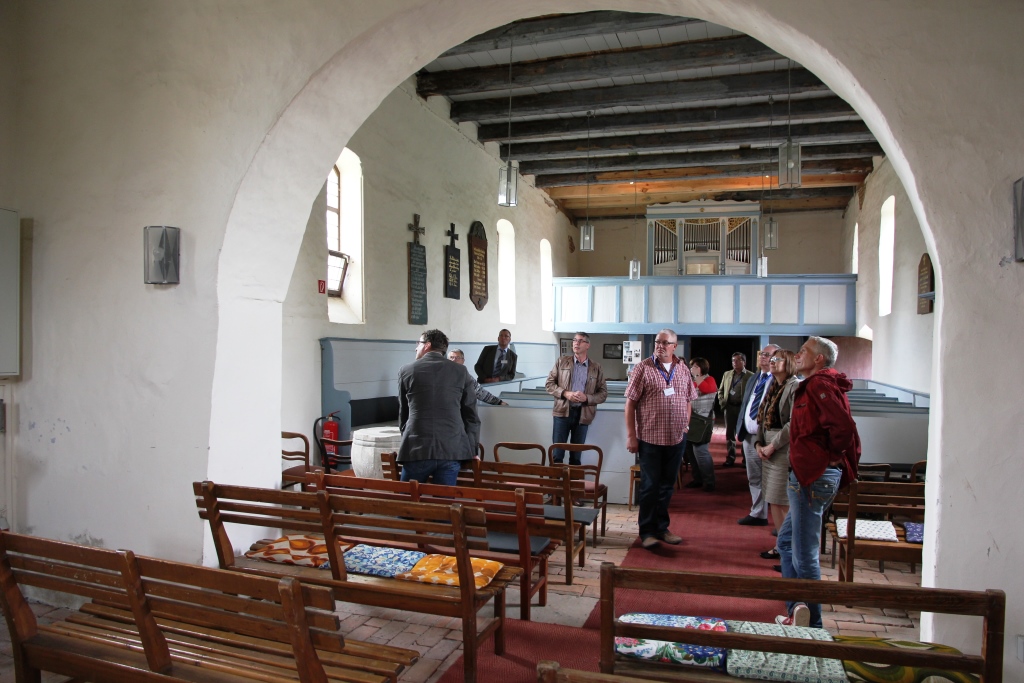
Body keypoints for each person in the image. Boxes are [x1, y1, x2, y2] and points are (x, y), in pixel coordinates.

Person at [776, 336, 860, 628]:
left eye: (803, 351)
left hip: (812, 477)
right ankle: (797, 609)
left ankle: (813, 627)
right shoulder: (814, 384)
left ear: (819, 359)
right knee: (786, 542)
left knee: (805, 555)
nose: (797, 355)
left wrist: (831, 458)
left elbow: (844, 428)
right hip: (809, 475)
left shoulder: (820, 384)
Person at [624, 329, 698, 550]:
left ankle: (661, 527)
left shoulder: (683, 369)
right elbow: (630, 404)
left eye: (666, 342)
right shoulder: (643, 368)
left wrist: (685, 425)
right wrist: (631, 436)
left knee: (666, 487)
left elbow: (688, 399)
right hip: (650, 439)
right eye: (658, 342)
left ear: (675, 346)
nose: (660, 345)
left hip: (676, 439)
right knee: (649, 487)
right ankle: (647, 531)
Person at [397, 329, 480, 485]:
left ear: (427, 345)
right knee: (445, 504)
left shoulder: (407, 370)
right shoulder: (460, 371)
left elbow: (404, 414)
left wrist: (407, 439)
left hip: (416, 448)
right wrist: (472, 450)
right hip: (451, 448)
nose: (416, 348)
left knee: (408, 500)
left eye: (418, 343)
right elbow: (471, 415)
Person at [754, 349, 799, 564]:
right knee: (773, 499)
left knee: (782, 501)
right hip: (768, 445)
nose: (771, 362)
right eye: (770, 359)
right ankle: (782, 545)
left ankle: (788, 550)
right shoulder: (773, 383)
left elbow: (793, 423)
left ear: (788, 362)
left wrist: (772, 446)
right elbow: (763, 417)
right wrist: (758, 443)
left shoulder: (795, 385)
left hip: (783, 447)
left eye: (776, 359)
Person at [545, 332, 608, 464]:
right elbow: (549, 384)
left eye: (580, 341)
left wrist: (587, 398)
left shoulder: (596, 368)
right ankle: (556, 484)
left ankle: (573, 484)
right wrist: (565, 393)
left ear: (588, 345)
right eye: (574, 340)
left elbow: (603, 394)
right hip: (562, 413)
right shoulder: (561, 362)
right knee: (557, 454)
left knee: (576, 457)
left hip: (583, 415)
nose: (576, 343)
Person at [735, 343, 779, 526]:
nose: (763, 357)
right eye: (762, 354)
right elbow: (746, 404)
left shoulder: (779, 380)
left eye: (768, 355)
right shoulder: (754, 378)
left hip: (769, 438)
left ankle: (779, 521)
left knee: (774, 479)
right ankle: (758, 513)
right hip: (749, 435)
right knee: (754, 476)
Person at [683, 357, 718, 491]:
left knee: (701, 452)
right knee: (690, 451)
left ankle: (709, 481)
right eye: (692, 366)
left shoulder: (710, 380)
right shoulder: (692, 381)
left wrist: (697, 375)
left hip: (703, 421)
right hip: (692, 420)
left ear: (702, 367)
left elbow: (706, 389)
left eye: (695, 366)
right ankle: (697, 478)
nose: (692, 369)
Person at [718, 352, 754, 467]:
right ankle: (730, 457)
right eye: (733, 360)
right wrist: (722, 401)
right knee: (730, 434)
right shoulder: (727, 374)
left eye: (738, 360)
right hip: (729, 407)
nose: (735, 363)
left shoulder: (750, 376)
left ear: (744, 362)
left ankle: (745, 458)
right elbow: (721, 390)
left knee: (744, 433)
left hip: (743, 409)